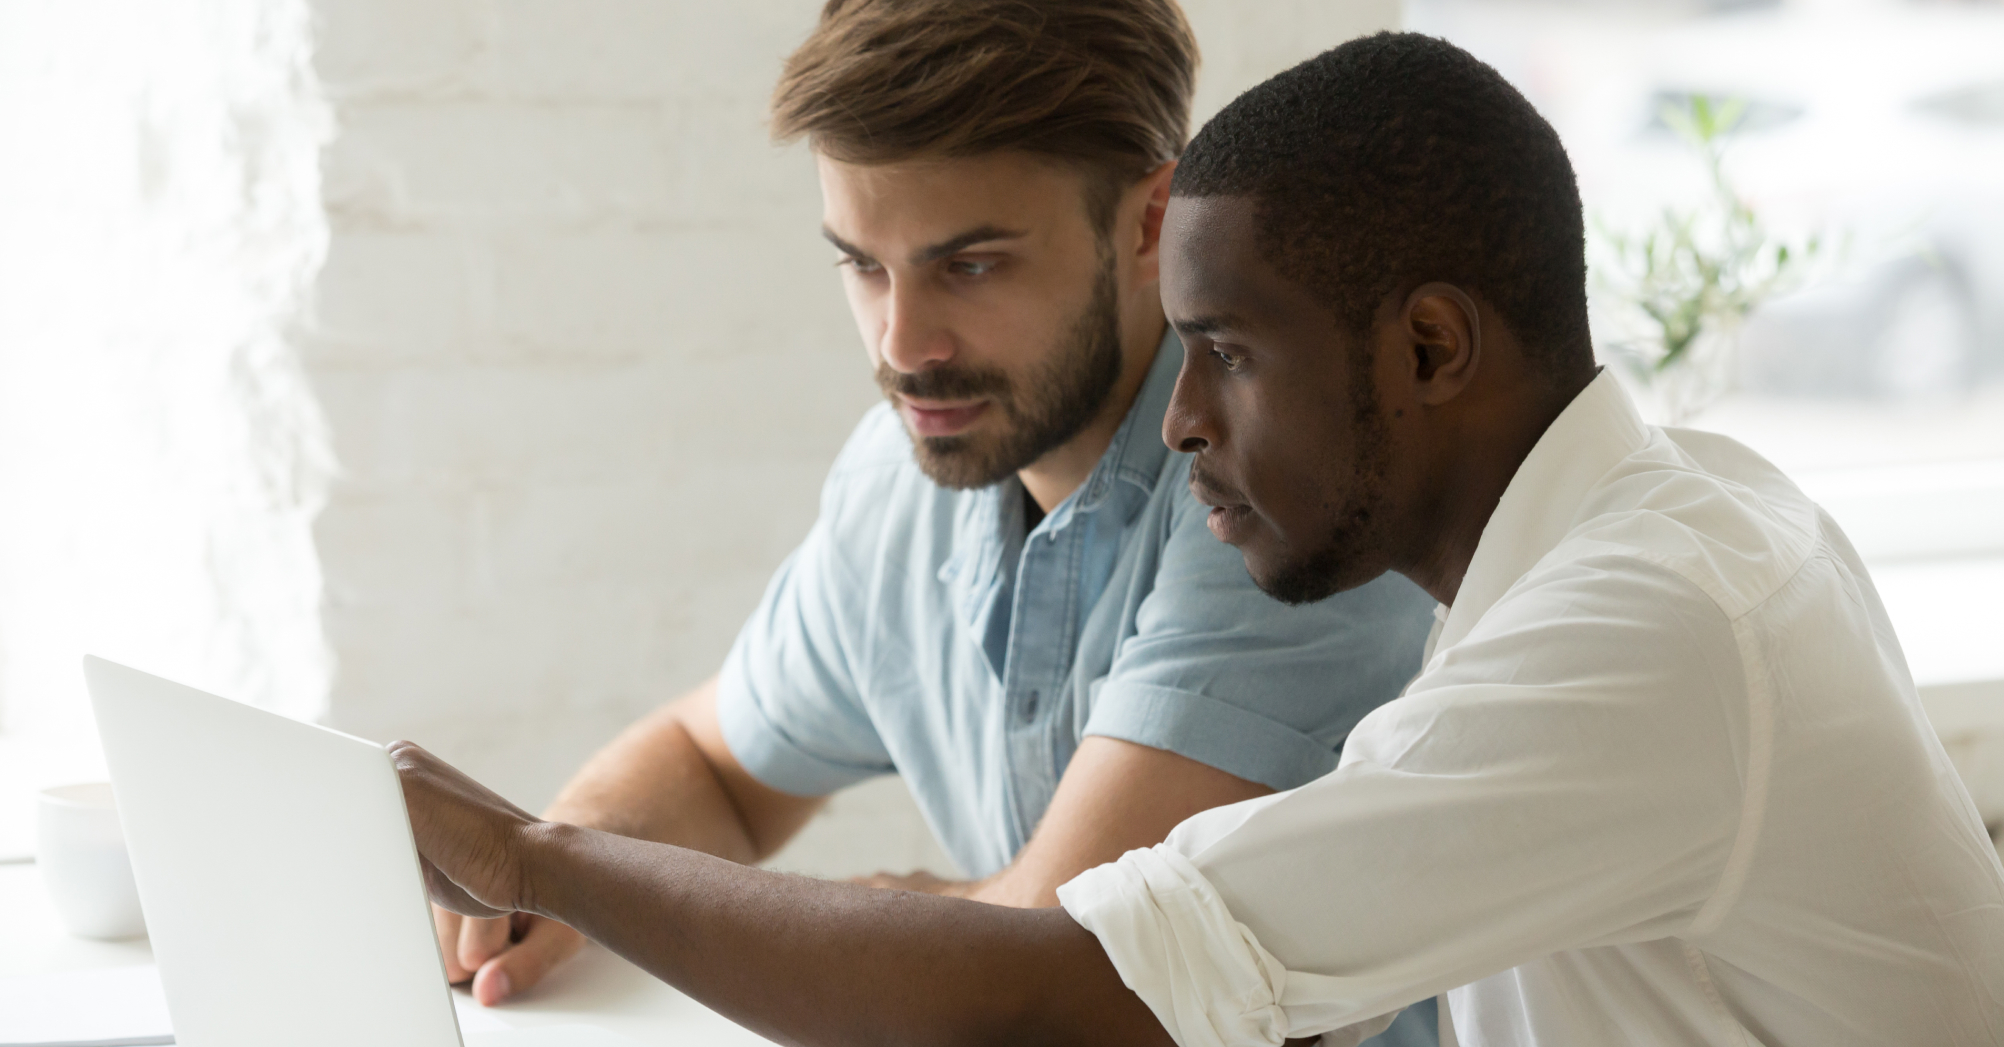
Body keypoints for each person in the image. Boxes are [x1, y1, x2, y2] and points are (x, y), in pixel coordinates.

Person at [393, 32, 2004, 1046]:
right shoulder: (1626, 551)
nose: (1182, 419)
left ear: (1432, 351)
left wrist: (548, 860)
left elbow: (1055, 989)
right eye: (863, 268)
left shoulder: (1646, 628)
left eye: (1226, 353)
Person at [431, 4, 1437, 1043]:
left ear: (1152, 224)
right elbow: (714, 767)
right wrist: (559, 875)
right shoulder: (900, 481)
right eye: (862, 264)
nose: (903, 344)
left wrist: (579, 873)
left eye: (970, 264)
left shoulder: (1280, 497)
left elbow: (1062, 971)